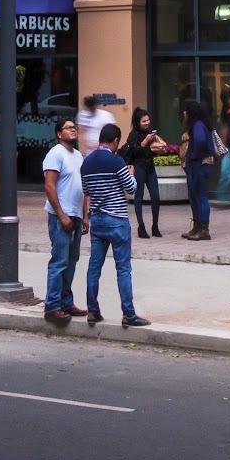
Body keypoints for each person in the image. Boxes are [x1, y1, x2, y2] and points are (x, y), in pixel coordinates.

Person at [82, 122, 149, 326]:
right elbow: (131, 188)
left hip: (97, 220)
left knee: (94, 267)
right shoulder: (116, 161)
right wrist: (131, 173)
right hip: (117, 220)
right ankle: (128, 314)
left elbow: (86, 191)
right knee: (123, 269)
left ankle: (92, 310)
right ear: (116, 140)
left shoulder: (87, 162)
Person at [42, 115, 85, 323]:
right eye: (68, 128)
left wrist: (85, 216)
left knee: (72, 261)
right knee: (59, 261)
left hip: (76, 215)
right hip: (61, 216)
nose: (73, 129)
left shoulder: (78, 156)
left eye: (74, 127)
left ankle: (66, 302)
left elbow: (82, 187)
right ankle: (52, 306)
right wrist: (61, 214)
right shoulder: (55, 153)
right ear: (59, 134)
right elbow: (49, 185)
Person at [120, 107, 166, 240]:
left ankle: (155, 226)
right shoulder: (133, 135)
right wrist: (144, 142)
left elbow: (156, 149)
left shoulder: (151, 133)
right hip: (139, 167)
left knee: (156, 197)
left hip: (150, 167)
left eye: (148, 120)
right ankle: (141, 226)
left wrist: (158, 147)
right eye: (144, 121)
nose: (147, 123)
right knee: (138, 197)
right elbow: (132, 152)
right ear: (137, 122)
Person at [179, 98, 215, 241]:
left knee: (200, 196)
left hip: (199, 165)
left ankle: (203, 230)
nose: (184, 113)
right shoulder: (199, 124)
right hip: (197, 165)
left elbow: (200, 141)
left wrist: (194, 156)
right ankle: (197, 227)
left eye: (186, 111)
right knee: (195, 196)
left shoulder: (198, 125)